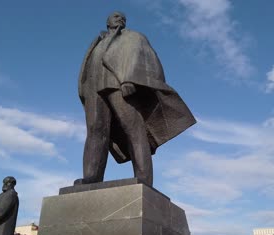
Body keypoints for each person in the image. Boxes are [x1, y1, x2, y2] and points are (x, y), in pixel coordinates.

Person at [77, 11, 196, 187]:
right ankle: (91, 178)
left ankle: (143, 178)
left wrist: (130, 79)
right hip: (93, 89)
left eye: (122, 17)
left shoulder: (134, 37)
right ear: (107, 21)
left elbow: (146, 57)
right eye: (116, 15)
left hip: (118, 84)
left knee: (133, 127)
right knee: (95, 131)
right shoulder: (97, 42)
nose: (120, 18)